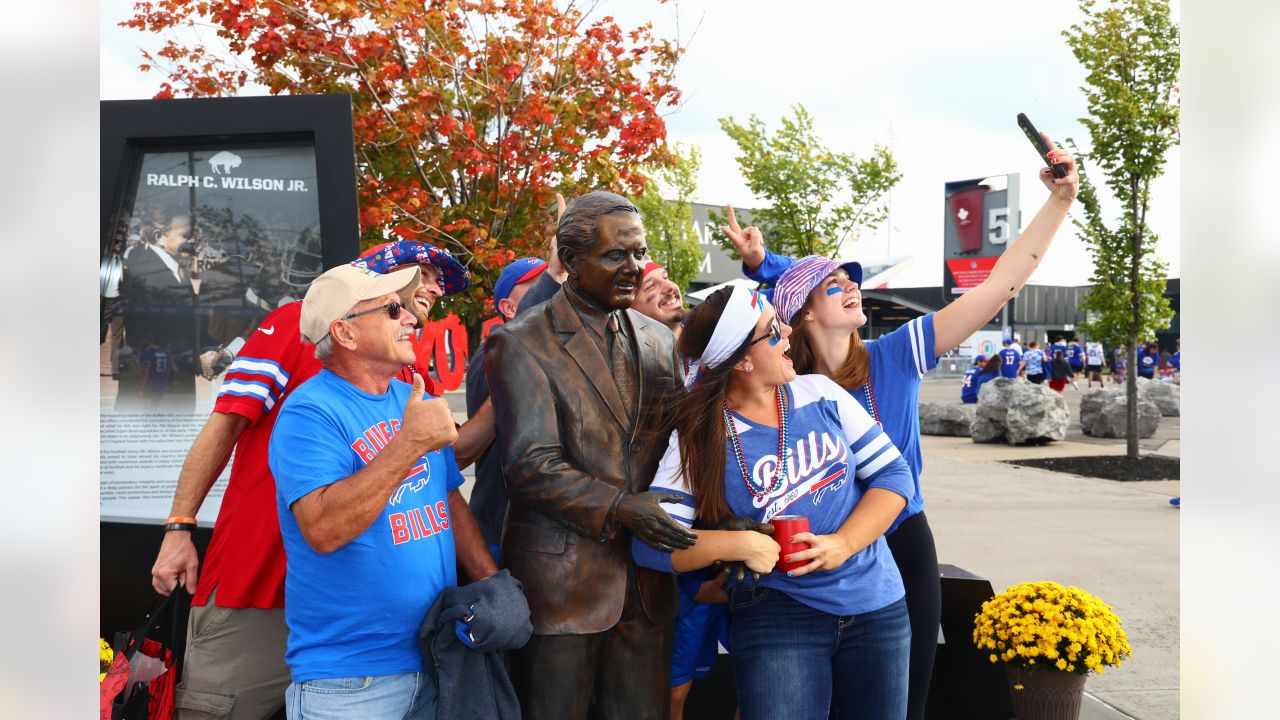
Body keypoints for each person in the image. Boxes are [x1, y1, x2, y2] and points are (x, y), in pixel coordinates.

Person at [723, 136, 1078, 720]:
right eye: (834, 285)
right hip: (806, 554)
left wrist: (1059, 202)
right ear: (804, 313)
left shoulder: (895, 354)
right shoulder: (781, 386)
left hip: (900, 537)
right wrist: (764, 268)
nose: (852, 286)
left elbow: (998, 286)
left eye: (851, 279)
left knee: (901, 704)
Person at [149, 240, 493, 720]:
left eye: (442, 282)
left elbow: (438, 466)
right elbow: (226, 423)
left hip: (366, 624)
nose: (435, 286)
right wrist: (179, 526)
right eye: (424, 273)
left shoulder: (404, 370)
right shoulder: (297, 323)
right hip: (257, 586)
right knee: (222, 708)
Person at [631, 285, 916, 720]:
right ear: (741, 360)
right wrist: (738, 546)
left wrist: (842, 544)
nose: (787, 333)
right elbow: (651, 545)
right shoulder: (697, 437)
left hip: (877, 605)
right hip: (778, 616)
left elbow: (895, 477)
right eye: (771, 332)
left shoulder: (820, 392)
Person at [485, 190, 697, 719]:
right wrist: (623, 508)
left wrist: (719, 510)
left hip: (647, 589)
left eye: (637, 253)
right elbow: (530, 467)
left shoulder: (658, 340)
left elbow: (681, 446)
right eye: (614, 255)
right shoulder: (521, 342)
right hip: (561, 590)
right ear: (573, 260)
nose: (632, 267)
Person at [268, 263, 498, 718]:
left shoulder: (408, 396)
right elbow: (323, 528)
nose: (410, 317)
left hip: (437, 659)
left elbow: (448, 499)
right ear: (346, 334)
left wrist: (493, 585)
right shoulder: (308, 412)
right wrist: (409, 443)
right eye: (393, 309)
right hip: (352, 683)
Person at [466, 256, 550, 560]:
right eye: (536, 287)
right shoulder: (491, 352)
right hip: (500, 534)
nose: (550, 292)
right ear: (509, 308)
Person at [630, 259, 688, 333]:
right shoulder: (620, 344)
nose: (670, 286)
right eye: (651, 286)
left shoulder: (705, 331)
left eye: (665, 278)